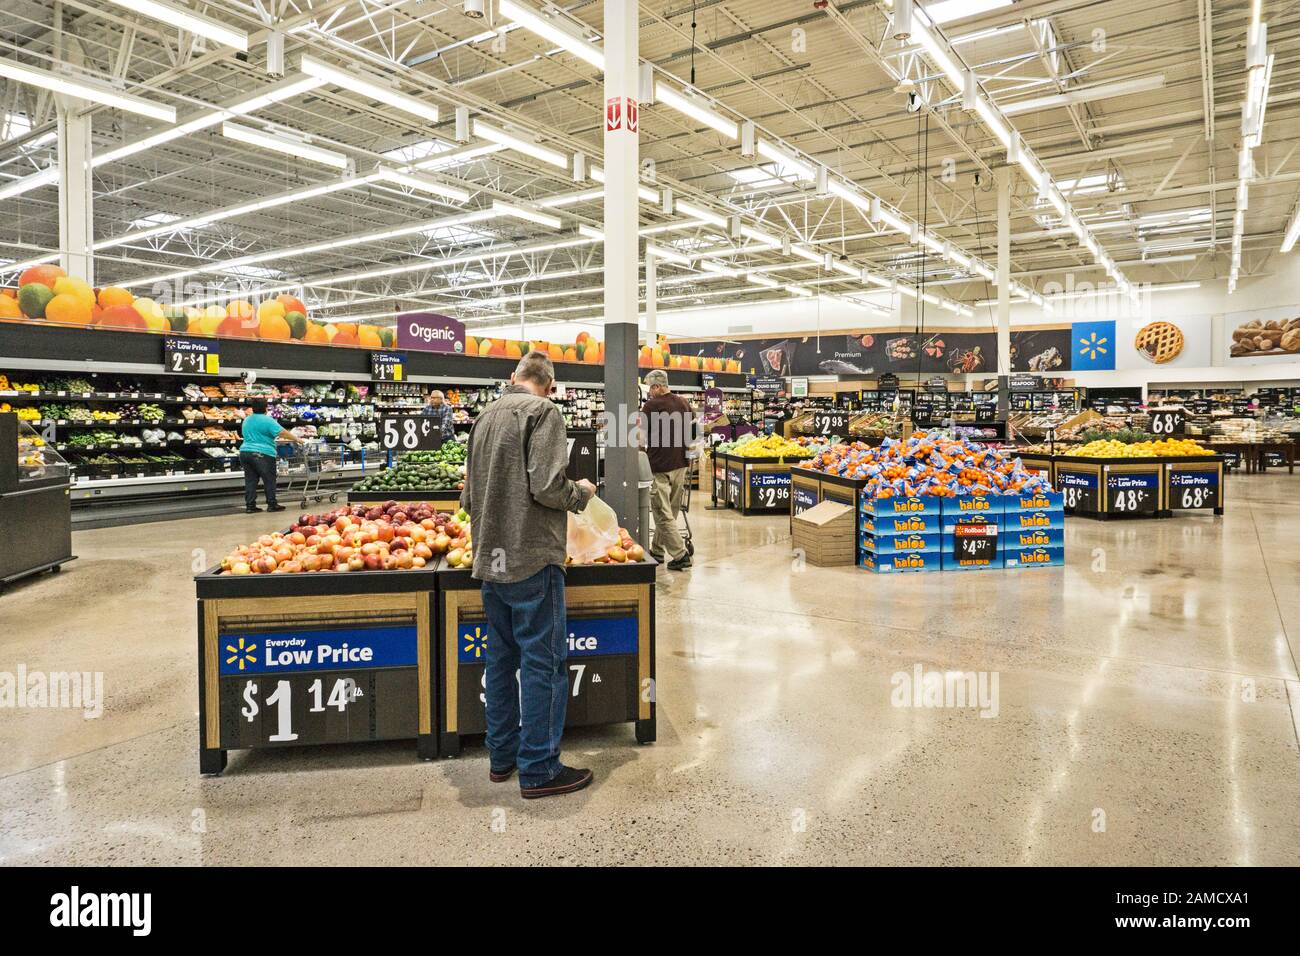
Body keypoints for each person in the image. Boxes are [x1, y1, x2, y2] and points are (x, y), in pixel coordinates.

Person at [460, 351, 598, 799]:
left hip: (490, 559)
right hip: (531, 557)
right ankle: (539, 768)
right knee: (543, 662)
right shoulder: (544, 413)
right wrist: (581, 493)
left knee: (500, 661)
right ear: (551, 385)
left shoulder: (484, 416)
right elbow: (546, 486)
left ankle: (501, 757)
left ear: (513, 377)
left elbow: (467, 496)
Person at [641, 368, 694, 570]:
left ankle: (680, 555)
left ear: (657, 386)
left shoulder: (651, 406)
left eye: (650, 388)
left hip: (659, 466)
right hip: (680, 464)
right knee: (670, 511)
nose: (649, 392)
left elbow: (641, 435)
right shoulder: (683, 402)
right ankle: (656, 550)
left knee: (662, 514)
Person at [238, 400, 302, 513]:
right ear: (266, 408)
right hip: (262, 453)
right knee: (269, 479)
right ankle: (272, 504)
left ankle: (250, 506)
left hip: (245, 452)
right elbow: (282, 433)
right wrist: (297, 439)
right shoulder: (267, 420)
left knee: (250, 480)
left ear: (252, 409)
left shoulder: (247, 420)